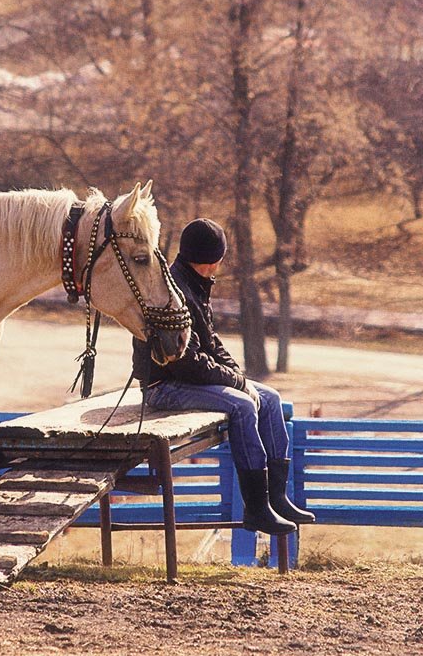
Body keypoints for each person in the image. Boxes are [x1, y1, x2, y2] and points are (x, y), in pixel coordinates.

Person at [132, 219, 314, 535]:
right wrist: (237, 384)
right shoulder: (174, 291)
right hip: (165, 386)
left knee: (269, 398)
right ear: (212, 259)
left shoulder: (195, 282)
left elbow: (211, 342)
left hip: (190, 379)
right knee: (243, 406)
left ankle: (276, 498)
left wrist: (238, 376)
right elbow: (186, 363)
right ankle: (256, 508)